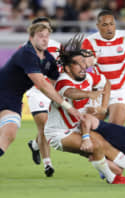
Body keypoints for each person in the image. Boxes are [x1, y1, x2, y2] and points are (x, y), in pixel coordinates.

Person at [44, 35, 125, 184]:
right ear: (67, 68)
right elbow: (71, 93)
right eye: (77, 64)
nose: (83, 66)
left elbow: (107, 83)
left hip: (77, 126)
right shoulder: (63, 81)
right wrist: (88, 94)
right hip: (58, 133)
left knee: (106, 147)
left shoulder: (88, 77)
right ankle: (112, 179)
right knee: (96, 146)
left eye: (84, 62)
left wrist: (103, 108)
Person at [0, 23, 81, 164]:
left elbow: (58, 82)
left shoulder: (48, 59)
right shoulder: (27, 53)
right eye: (40, 36)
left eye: (47, 36)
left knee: (10, 132)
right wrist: (66, 105)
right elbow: (42, 84)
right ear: (31, 37)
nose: (45, 39)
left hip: (12, 98)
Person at [26, 17, 61, 177]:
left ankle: (35, 145)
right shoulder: (26, 48)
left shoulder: (58, 46)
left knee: (52, 127)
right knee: (44, 126)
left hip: (53, 91)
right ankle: (48, 165)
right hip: (36, 91)